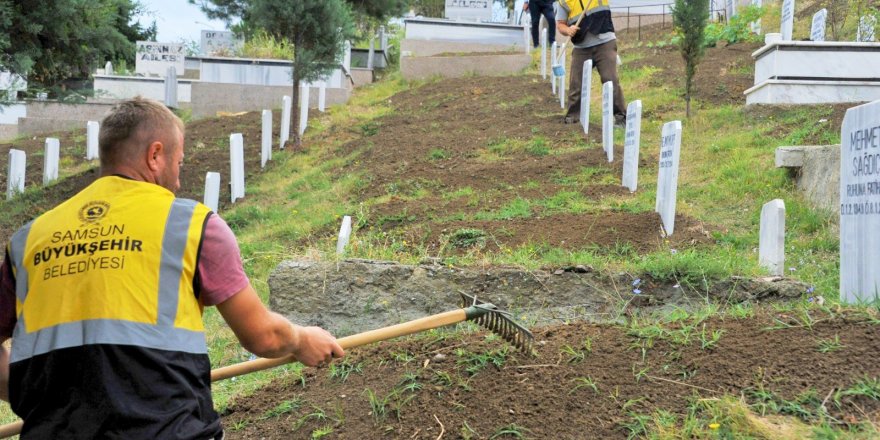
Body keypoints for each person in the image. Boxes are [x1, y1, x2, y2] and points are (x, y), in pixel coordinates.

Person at [0, 97, 344, 439]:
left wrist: (38, 397)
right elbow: (263, 336)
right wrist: (301, 339)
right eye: (178, 163)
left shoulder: (29, 239)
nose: (178, 181)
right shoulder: (191, 225)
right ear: (155, 155)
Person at [555, 0, 626, 126]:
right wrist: (568, 30)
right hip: (581, 47)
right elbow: (560, 24)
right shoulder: (563, 2)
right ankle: (573, 118)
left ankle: (621, 118)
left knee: (610, 79)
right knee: (576, 83)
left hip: (605, 41)